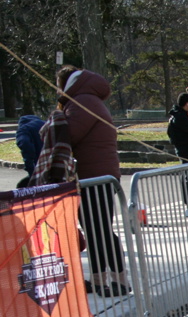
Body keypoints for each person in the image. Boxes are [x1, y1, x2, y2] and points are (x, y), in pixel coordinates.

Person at [52, 67, 132, 296]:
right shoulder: (87, 100)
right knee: (95, 230)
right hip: (98, 174)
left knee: (101, 230)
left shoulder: (82, 102)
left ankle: (118, 281)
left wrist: (54, 120)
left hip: (94, 176)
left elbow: (69, 134)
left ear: (66, 83)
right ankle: (100, 280)